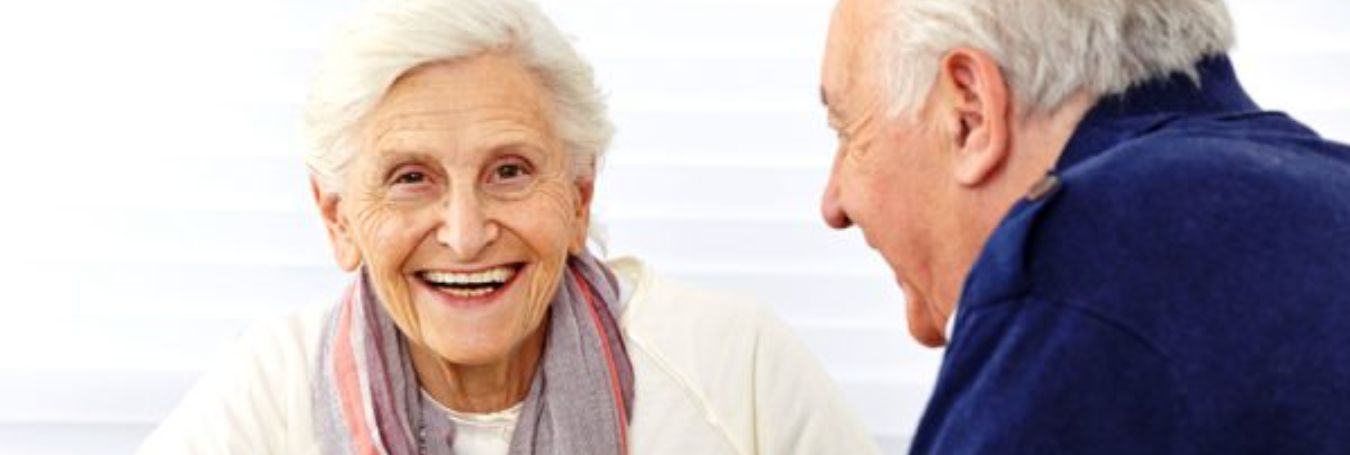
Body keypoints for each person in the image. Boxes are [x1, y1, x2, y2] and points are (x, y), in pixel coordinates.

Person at [137, 0, 879, 453]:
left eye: (511, 171)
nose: (465, 235)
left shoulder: (734, 363)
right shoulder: (271, 388)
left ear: (580, 197)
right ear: (338, 218)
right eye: (411, 178)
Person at [817, 0, 1350, 452]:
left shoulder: (1082, 255)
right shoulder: (1329, 182)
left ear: (969, 113)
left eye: (848, 130)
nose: (833, 203)